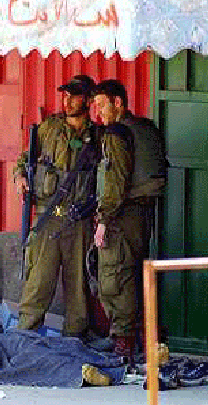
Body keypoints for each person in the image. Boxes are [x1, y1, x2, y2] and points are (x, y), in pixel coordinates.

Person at [14, 75, 100, 338]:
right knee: (38, 280)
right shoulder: (49, 128)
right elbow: (24, 159)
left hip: (79, 220)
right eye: (65, 95)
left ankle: (75, 341)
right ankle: (25, 337)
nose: (68, 100)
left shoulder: (98, 136)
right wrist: (19, 177)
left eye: (74, 95)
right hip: (48, 217)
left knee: (78, 287)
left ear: (87, 100)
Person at [92, 79, 167, 358]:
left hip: (121, 215)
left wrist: (103, 220)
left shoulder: (117, 134)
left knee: (114, 275)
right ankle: (144, 338)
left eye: (101, 105)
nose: (98, 113)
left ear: (118, 103)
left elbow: (115, 181)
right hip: (142, 213)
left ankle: (122, 343)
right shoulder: (146, 128)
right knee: (134, 272)